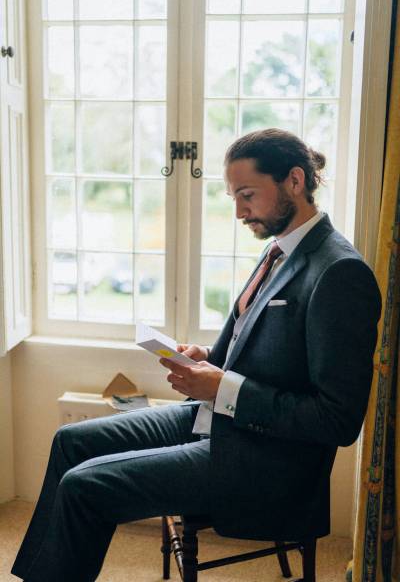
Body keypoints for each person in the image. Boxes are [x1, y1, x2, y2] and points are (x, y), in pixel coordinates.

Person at [12, 129, 381, 582]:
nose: (239, 211)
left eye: (248, 195)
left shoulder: (340, 272)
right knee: (72, 442)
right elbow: (264, 350)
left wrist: (224, 388)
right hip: (215, 418)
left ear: (295, 181)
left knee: (85, 485)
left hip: (265, 462)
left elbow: (338, 420)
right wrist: (205, 356)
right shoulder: (277, 250)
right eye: (233, 197)